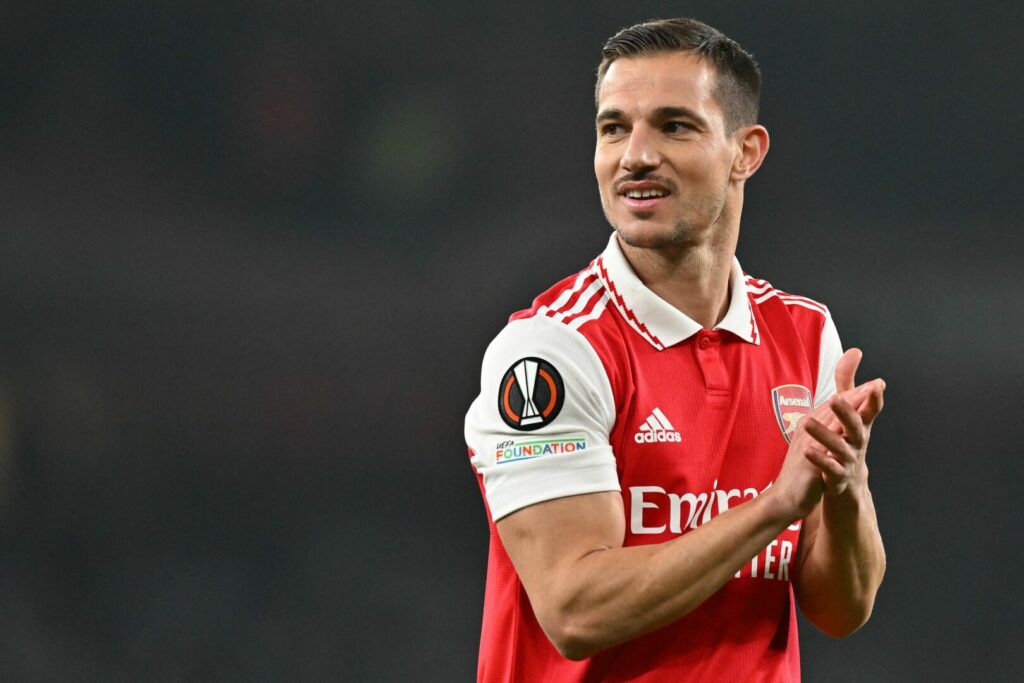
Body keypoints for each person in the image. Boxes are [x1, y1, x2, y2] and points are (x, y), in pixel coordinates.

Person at [464, 17, 886, 682]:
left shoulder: (805, 335)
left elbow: (841, 609)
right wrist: (774, 507)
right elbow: (575, 610)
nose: (634, 155)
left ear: (745, 152)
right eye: (613, 128)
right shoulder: (552, 352)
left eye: (673, 126)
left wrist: (846, 485)